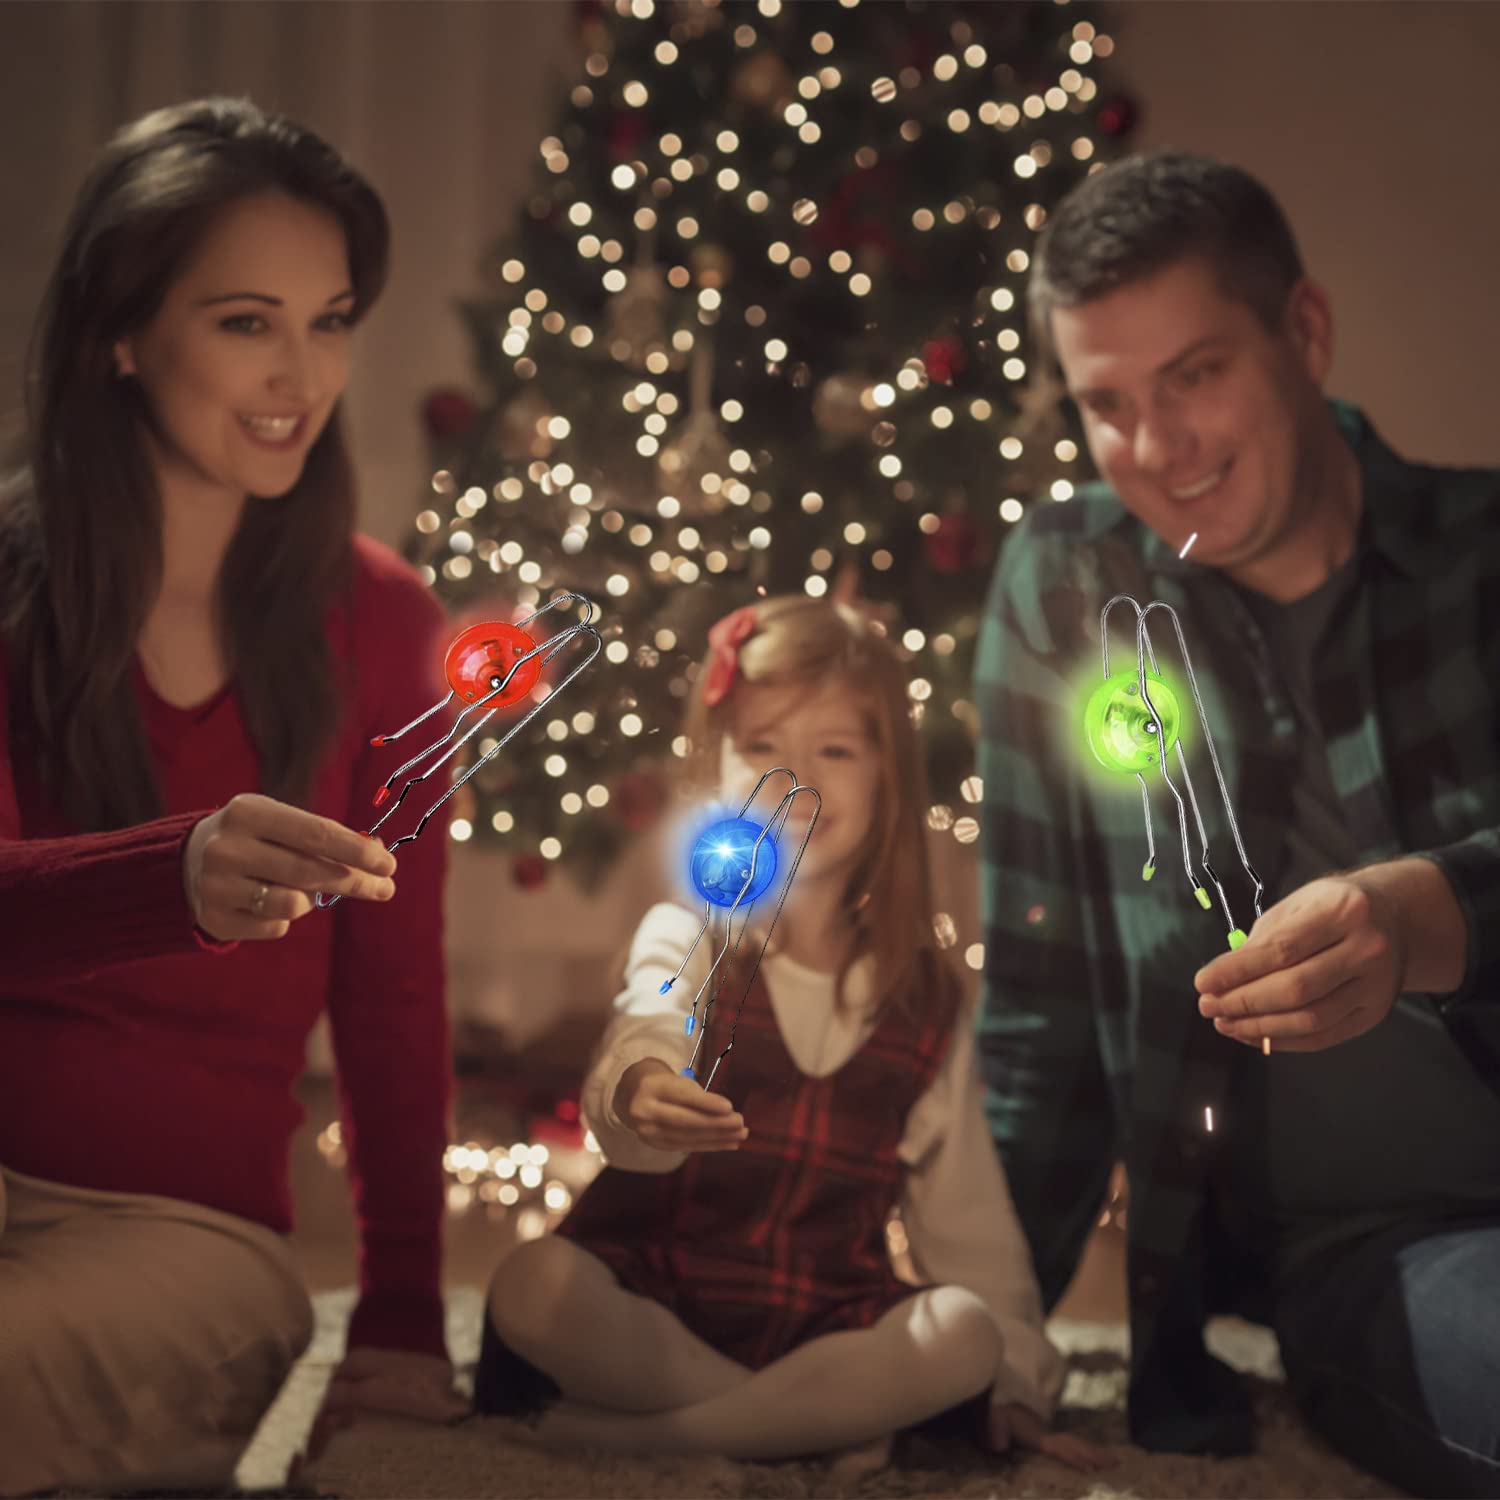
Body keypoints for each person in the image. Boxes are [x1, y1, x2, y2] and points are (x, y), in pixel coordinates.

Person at [975, 148, 1500, 1497]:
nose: (1157, 450)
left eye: (1196, 374)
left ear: (1303, 335)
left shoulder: (1481, 557)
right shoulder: (1069, 583)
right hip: (1390, 1248)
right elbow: (1036, 1000)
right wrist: (989, 1339)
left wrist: (1417, 916)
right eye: (1108, 403)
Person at [0, 97, 465, 1497]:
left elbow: (393, 995)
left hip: (182, 1235)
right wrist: (169, 878)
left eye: (330, 321)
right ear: (120, 333)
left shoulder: (381, 622)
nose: (301, 375)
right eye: (248, 321)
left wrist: (397, 1317)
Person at [474, 595, 1112, 1473]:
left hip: (822, 1326)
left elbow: (966, 1218)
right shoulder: (688, 932)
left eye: (836, 750)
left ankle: (659, 1440)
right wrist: (643, 1084)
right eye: (764, 746)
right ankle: (809, 1430)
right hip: (650, 1303)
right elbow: (650, 1013)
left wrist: (1015, 1382)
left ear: (888, 776)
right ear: (719, 768)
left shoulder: (925, 1000)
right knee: (534, 1285)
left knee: (963, 1335)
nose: (797, 779)